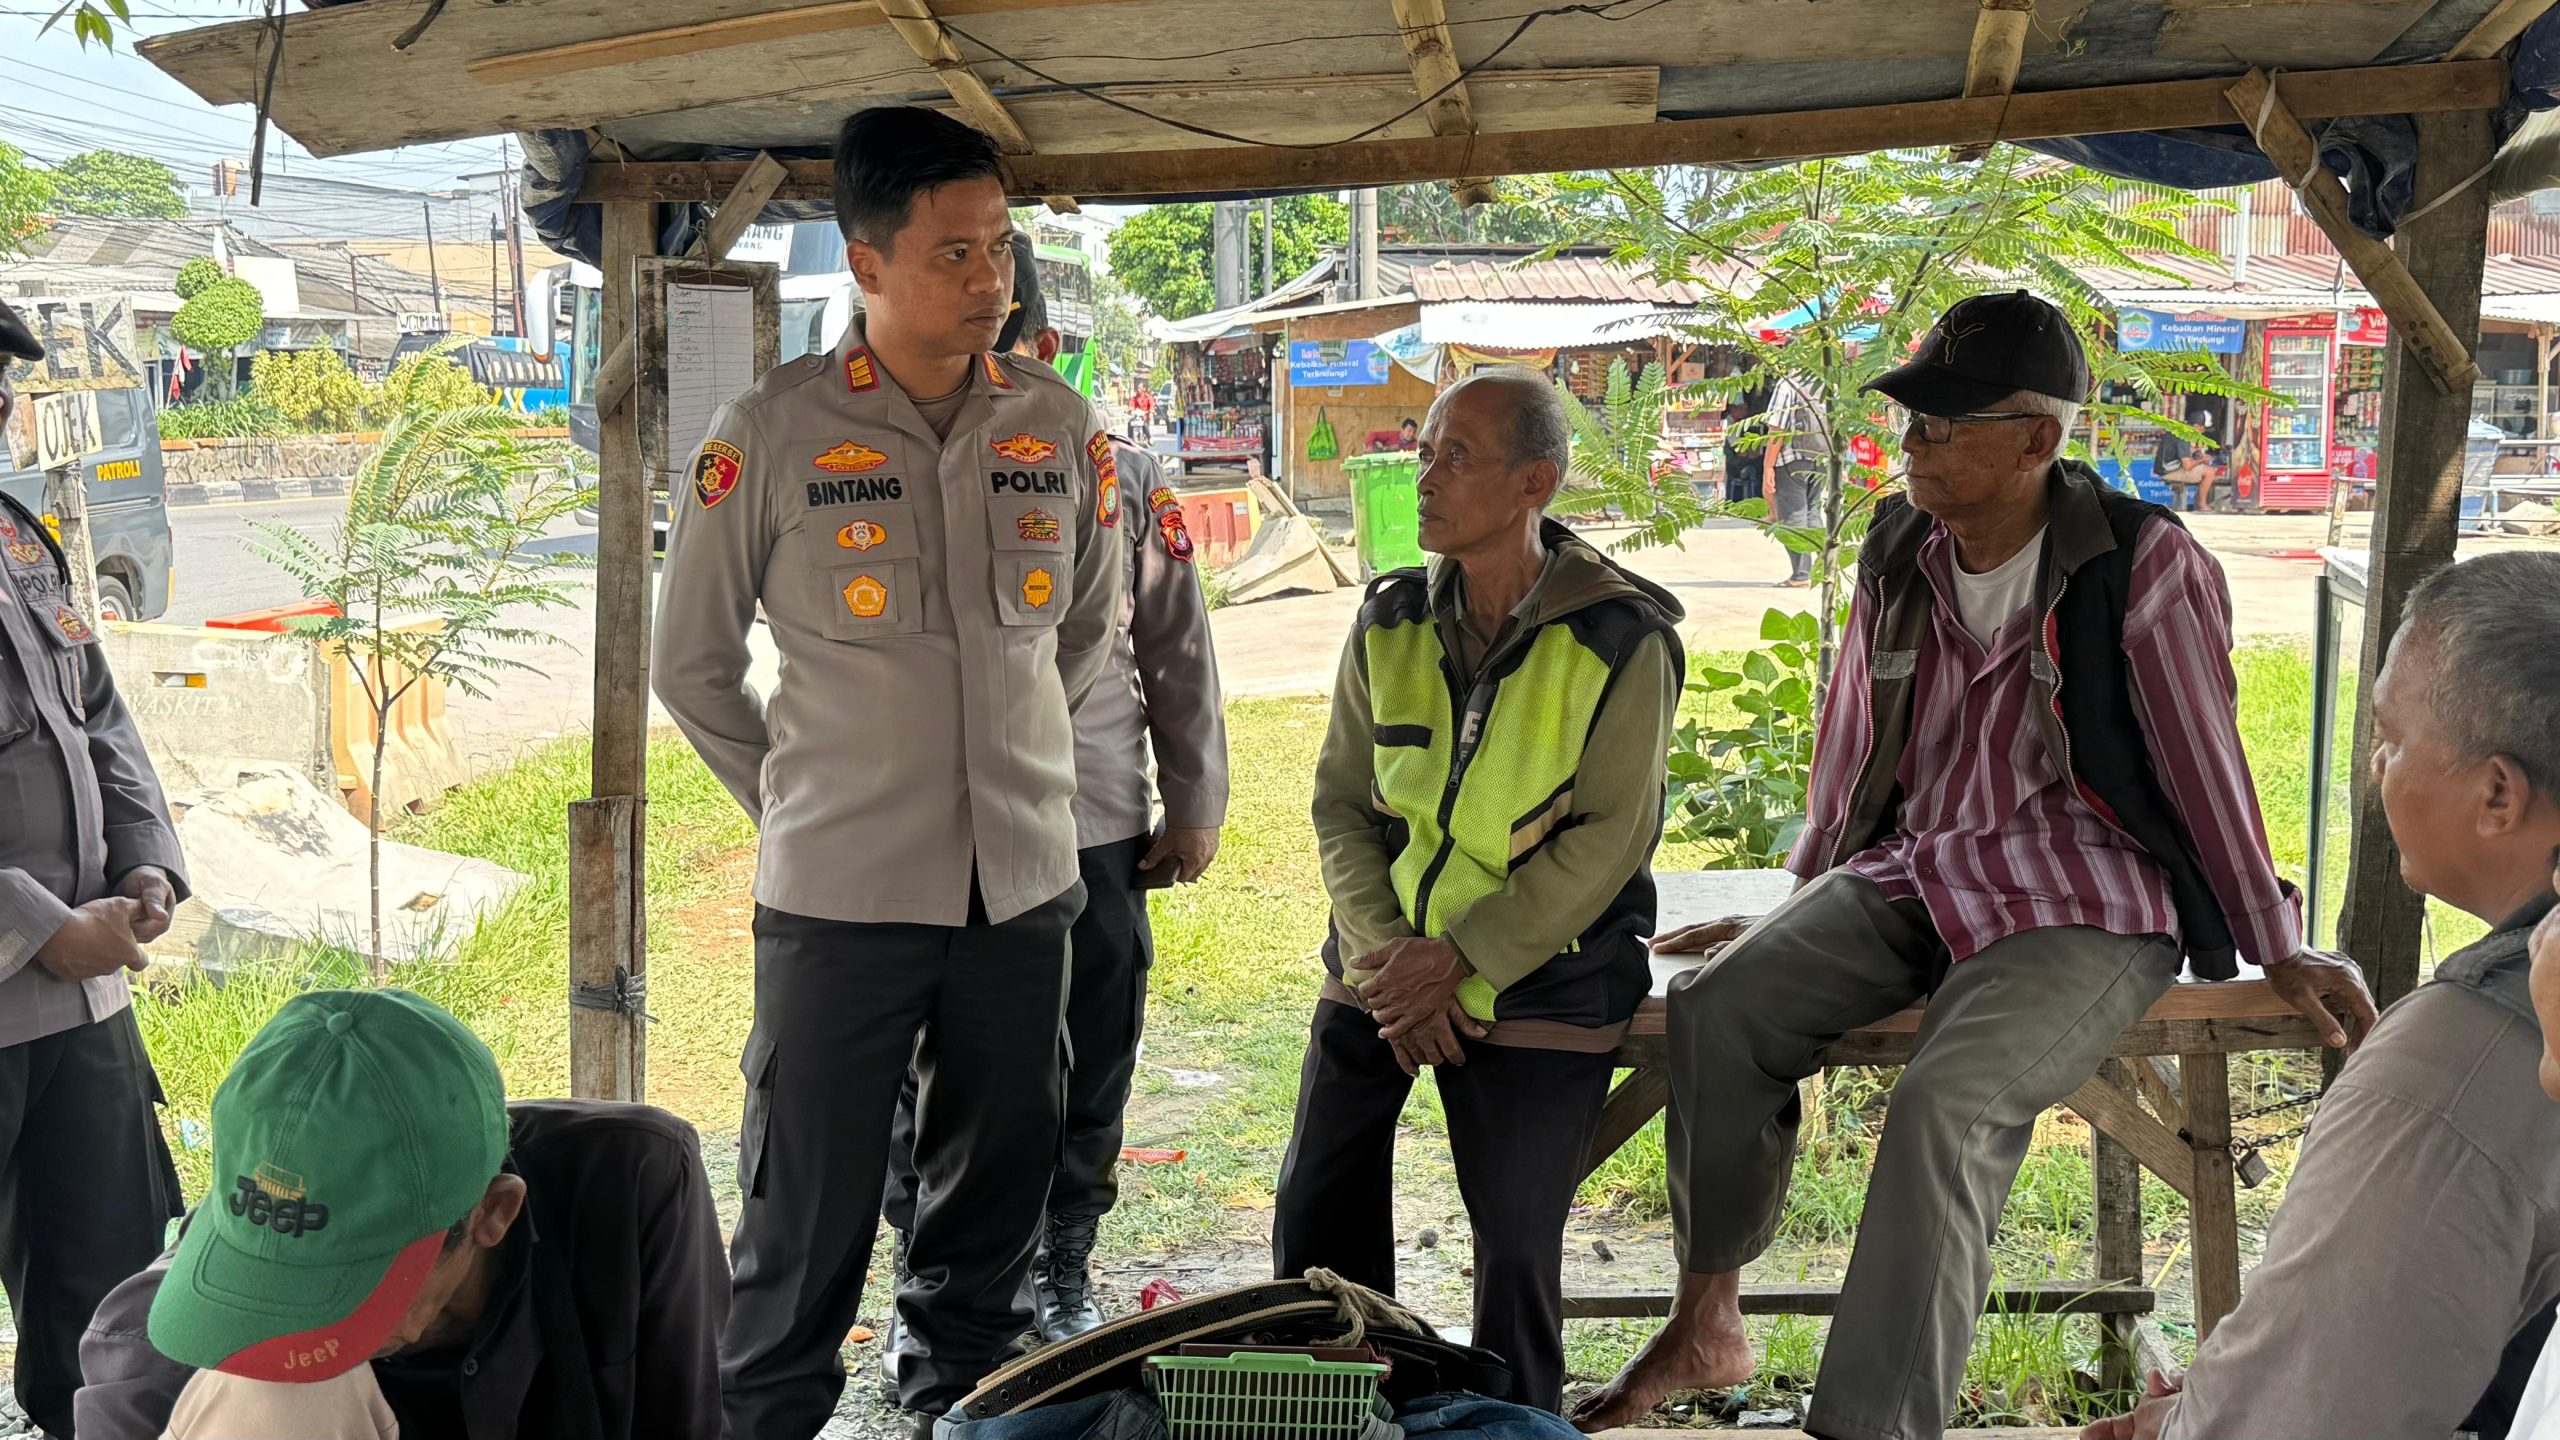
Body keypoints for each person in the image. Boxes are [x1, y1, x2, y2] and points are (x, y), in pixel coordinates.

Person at [1572, 290, 2378, 1439]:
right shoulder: (1901, 548)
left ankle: (1875, 1428)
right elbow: (1852, 741)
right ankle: (1707, 1320)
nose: (1913, 444)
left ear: (2037, 439)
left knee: (1945, 1107)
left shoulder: (2140, 562)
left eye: (1943, 426)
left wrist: (2273, 941)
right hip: (1924, 870)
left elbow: (2204, 763)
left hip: (2089, 898)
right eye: (1911, 420)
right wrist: (1794, 903)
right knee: (1722, 1003)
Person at [651, 105, 1123, 1438]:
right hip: (840, 899)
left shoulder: (1057, 424)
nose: (991, 281)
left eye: (1001, 249)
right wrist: (804, 800)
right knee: (803, 1217)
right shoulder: (771, 432)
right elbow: (691, 664)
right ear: (866, 264)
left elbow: (1085, 629)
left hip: (1020, 893)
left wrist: (1009, 769)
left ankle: (953, 1414)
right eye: (954, 254)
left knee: (993, 1213)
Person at [1275, 367, 1685, 1414]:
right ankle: (1340, 1411)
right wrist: (1390, 962)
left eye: (1455, 457)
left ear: (1534, 482)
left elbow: (1609, 839)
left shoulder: (1621, 637)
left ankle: (1517, 1423)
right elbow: (1341, 807)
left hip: (1548, 973)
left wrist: (1459, 960)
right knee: (1316, 1204)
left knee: (1515, 1234)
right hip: (1383, 965)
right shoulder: (1390, 620)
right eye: (1424, 453)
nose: (1423, 478)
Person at [2079, 552, 2560, 1440]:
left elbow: (2314, 1404)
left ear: (2497, 792)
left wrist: (2182, 1426)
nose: (2376, 768)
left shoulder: (2464, 1057)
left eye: (2392, 739)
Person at [879, 233, 1228, 1362]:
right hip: (922, 828)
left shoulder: (1121, 474)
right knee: (921, 1058)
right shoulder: (878, 463)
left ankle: (1063, 1258)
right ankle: (930, 1272)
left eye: (1002, 345)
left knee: (1090, 1043)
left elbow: (1175, 648)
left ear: (1040, 341)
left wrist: (1195, 799)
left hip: (1087, 819)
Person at [74, 988, 729, 1440]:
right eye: (271, 1278)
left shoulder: (630, 1180)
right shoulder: (160, 1358)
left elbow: (683, 1417)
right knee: (271, 1390)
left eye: (346, 1278)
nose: (302, 1321)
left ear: (492, 1214)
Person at [0, 296, 189, 1440]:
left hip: (83, 1009)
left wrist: (147, 861)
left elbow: (99, 716)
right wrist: (38, 927)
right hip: (32, 965)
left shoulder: (19, 540)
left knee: (108, 1302)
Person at [1762, 375, 1826, 586]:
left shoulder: (1787, 384)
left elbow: (1777, 429)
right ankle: (1825, 566)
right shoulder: (1824, 380)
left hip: (1792, 459)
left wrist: (1768, 466)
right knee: (1812, 512)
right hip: (1821, 458)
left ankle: (1801, 574)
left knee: (1793, 516)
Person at [2152, 408, 2223, 514]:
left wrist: (2196, 454)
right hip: (2168, 471)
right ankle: (2202, 505)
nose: (2203, 431)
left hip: (2167, 468)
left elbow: (2182, 454)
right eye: (2203, 428)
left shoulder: (2180, 430)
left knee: (2207, 470)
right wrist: (2202, 460)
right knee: (2209, 472)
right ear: (2196, 426)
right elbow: (2187, 465)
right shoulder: (2183, 436)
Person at [1722, 382, 1769, 507]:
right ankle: (1757, 498)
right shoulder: (1730, 424)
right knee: (1760, 464)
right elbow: (1739, 451)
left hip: (1737, 458)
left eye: (1746, 409)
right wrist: (1751, 455)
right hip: (1732, 462)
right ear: (1733, 409)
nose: (1745, 412)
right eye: (1742, 409)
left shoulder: (1737, 424)